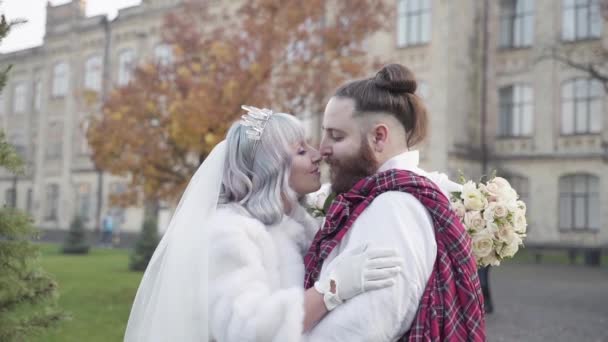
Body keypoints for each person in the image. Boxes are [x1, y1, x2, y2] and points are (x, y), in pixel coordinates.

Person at [124, 106, 404, 341]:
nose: (317, 154)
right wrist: (333, 289)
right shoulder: (228, 232)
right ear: (271, 168)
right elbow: (249, 330)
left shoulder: (295, 224)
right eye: (300, 151)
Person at [303, 64, 486, 341]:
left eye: (336, 136)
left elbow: (368, 324)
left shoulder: (393, 206)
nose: (322, 148)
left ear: (379, 137)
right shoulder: (383, 196)